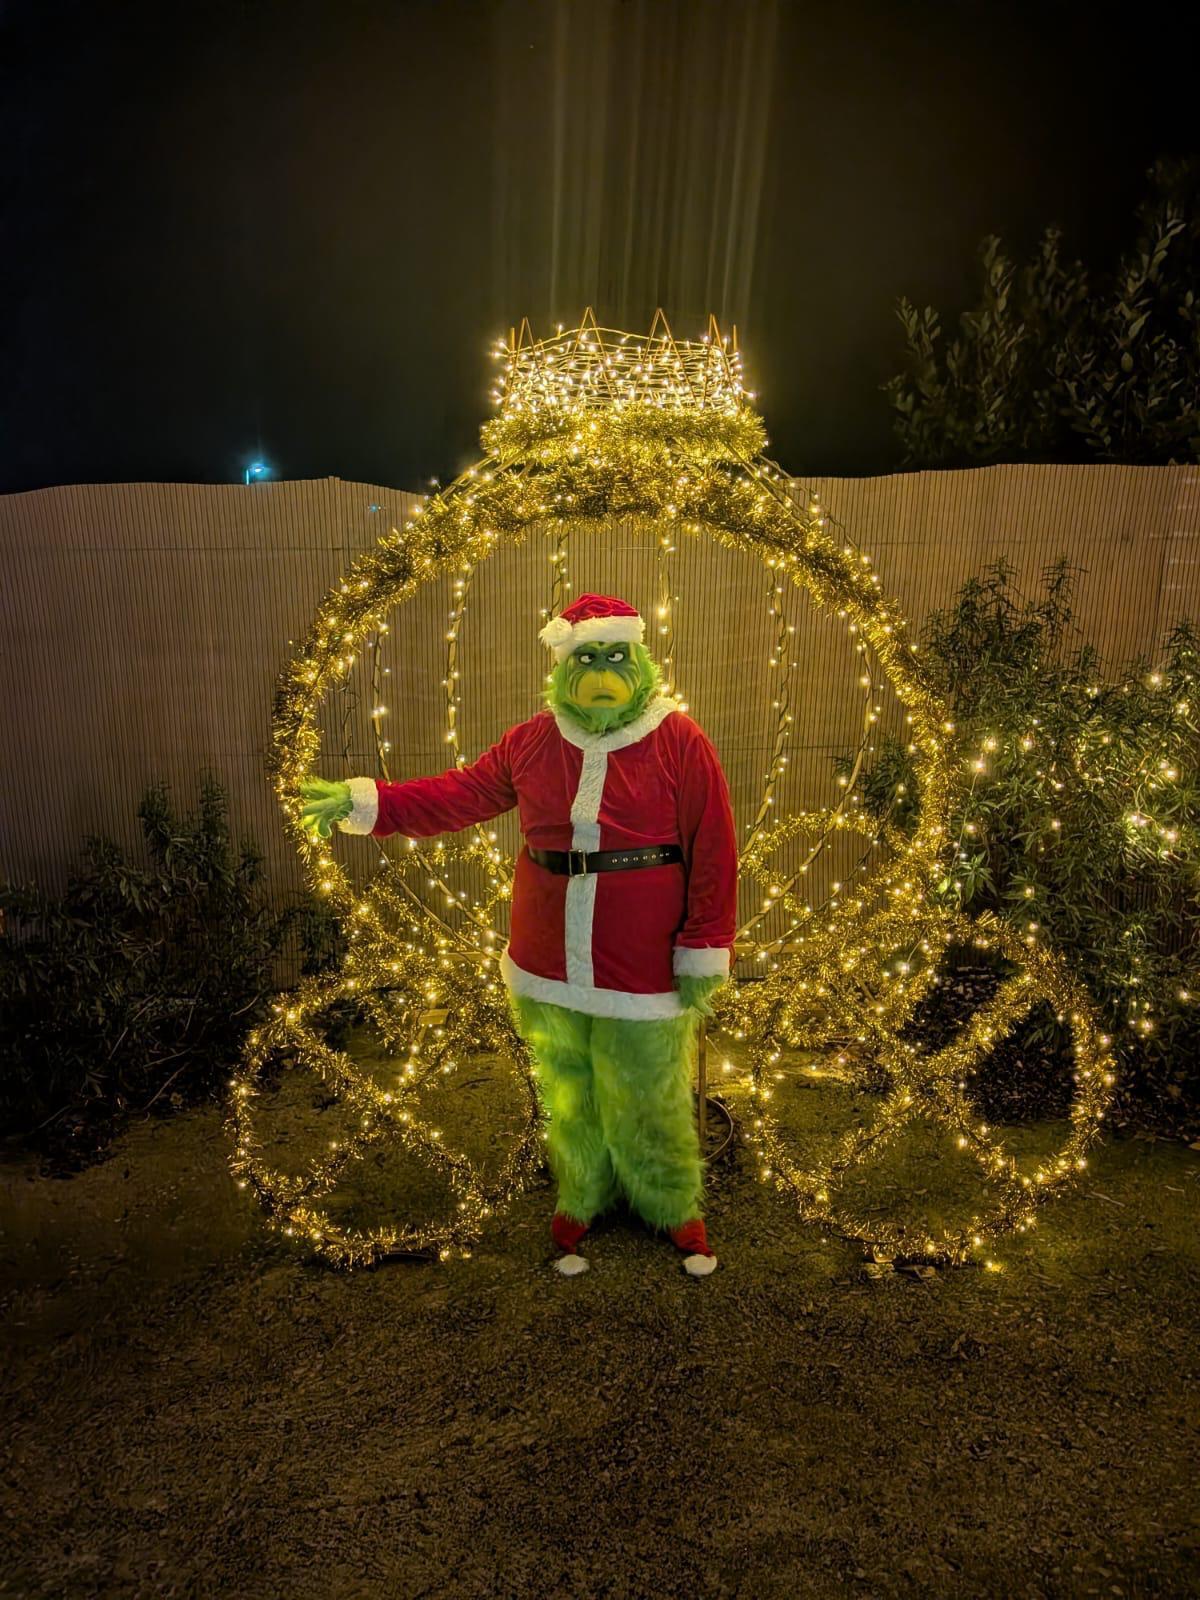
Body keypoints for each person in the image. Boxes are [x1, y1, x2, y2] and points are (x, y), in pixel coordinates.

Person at [299, 593, 738, 1276]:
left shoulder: (680, 742)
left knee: (648, 1085)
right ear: (565, 666)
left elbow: (713, 848)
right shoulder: (532, 741)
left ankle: (671, 1201)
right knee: (567, 1083)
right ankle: (583, 1192)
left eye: (615, 656)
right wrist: (370, 802)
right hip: (546, 955)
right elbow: (458, 794)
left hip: (642, 958)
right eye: (587, 658)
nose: (601, 670)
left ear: (640, 660)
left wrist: (703, 946)